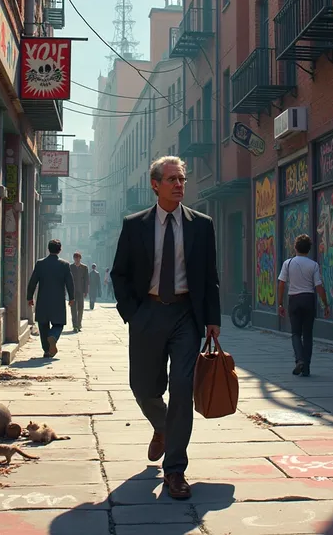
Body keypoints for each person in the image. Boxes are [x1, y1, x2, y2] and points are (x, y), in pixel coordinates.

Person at [111, 156, 220, 501]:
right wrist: (133, 313)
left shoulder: (201, 225)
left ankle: (175, 469)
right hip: (148, 313)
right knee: (143, 387)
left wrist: (212, 320)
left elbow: (210, 277)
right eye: (172, 179)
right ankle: (162, 426)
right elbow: (120, 274)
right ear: (155, 184)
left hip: (186, 316)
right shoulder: (135, 224)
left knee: (182, 388)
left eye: (182, 179)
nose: (179, 185)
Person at [278, 234, 330, 377]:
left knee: (295, 333)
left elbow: (281, 284)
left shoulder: (287, 263)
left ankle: (299, 359)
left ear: (295, 247)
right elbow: (318, 286)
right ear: (309, 249)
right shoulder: (313, 265)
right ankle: (306, 367)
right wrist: (325, 304)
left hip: (294, 300)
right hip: (309, 299)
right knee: (307, 335)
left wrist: (280, 303)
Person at [27, 239, 75, 358]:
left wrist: (29, 297)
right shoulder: (64, 265)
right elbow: (70, 282)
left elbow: (33, 282)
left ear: (48, 249)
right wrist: (72, 297)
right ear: (60, 250)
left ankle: (47, 350)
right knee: (58, 324)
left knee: (43, 326)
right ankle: (53, 336)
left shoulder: (40, 263)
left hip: (42, 299)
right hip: (58, 300)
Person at [70, 252, 88, 332]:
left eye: (78, 258)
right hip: (73, 291)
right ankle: (75, 326)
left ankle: (79, 324)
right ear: (74, 259)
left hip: (81, 291)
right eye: (75, 258)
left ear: (80, 259)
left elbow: (86, 280)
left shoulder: (84, 268)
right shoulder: (70, 267)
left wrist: (85, 291)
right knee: (73, 309)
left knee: (80, 308)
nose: (77, 260)